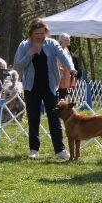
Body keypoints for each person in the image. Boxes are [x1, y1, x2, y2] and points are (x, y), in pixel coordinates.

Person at [15, 19, 76, 159]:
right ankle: (34, 149)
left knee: (54, 117)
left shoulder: (52, 44)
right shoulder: (24, 46)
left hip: (50, 86)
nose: (40, 36)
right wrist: (29, 54)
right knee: (33, 118)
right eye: (37, 33)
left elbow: (63, 56)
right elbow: (20, 65)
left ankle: (60, 149)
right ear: (31, 33)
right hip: (31, 87)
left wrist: (71, 68)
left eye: (42, 33)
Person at [57, 33, 73, 100]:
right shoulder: (58, 48)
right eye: (66, 40)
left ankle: (62, 102)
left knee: (64, 90)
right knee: (58, 89)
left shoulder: (66, 49)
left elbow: (69, 60)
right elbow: (57, 60)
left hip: (66, 73)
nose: (68, 41)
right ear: (61, 40)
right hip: (60, 72)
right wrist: (59, 71)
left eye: (68, 40)